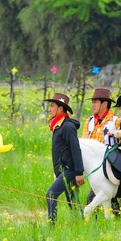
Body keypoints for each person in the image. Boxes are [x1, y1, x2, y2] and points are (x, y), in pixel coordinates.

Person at [45, 93, 84, 223]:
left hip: (69, 171)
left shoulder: (67, 126)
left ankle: (51, 225)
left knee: (51, 195)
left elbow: (75, 149)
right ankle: (82, 225)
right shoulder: (58, 126)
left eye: (52, 106)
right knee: (73, 202)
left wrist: (79, 173)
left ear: (60, 108)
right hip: (63, 171)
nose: (49, 109)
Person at [82, 88, 121, 209]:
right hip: (94, 166)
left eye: (95, 102)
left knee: (93, 198)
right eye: (92, 102)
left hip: (109, 164)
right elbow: (84, 143)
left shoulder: (116, 121)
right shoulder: (89, 121)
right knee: (108, 198)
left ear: (104, 104)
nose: (92, 105)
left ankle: (92, 223)